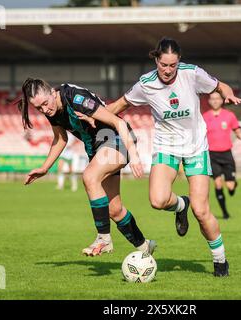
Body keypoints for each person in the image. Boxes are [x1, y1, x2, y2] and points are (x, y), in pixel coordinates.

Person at [103, 37, 241, 277]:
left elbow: (221, 86)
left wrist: (228, 93)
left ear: (179, 62)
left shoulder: (192, 74)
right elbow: (120, 105)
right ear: (156, 60)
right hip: (166, 146)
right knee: (157, 200)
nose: (168, 70)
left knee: (201, 211)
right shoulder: (145, 84)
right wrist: (94, 116)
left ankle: (220, 261)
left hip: (197, 146)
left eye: (173, 65)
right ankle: (181, 204)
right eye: (163, 65)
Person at [16, 78, 156, 256]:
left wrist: (134, 156)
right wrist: (45, 168)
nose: (45, 110)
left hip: (116, 139)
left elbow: (118, 122)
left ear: (52, 92)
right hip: (99, 149)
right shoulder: (51, 109)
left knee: (90, 176)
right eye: (39, 108)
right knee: (115, 210)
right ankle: (146, 248)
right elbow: (60, 139)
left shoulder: (75, 98)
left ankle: (103, 239)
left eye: (45, 103)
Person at [203, 92, 241, 219]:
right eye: (212, 99)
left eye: (217, 98)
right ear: (209, 101)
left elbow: (237, 129)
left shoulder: (229, 115)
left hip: (226, 154)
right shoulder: (204, 116)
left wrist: (240, 135)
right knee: (217, 183)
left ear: (222, 101)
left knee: (230, 186)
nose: (215, 101)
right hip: (212, 154)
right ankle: (225, 213)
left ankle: (233, 186)